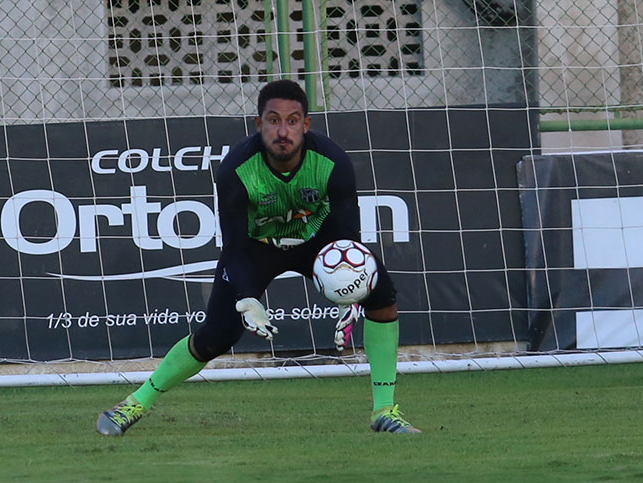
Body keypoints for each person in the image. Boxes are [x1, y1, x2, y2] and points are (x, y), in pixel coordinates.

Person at [96, 79, 420, 436]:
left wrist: (352, 296)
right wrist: (247, 298)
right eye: (273, 120)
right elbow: (234, 247)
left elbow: (347, 238)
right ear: (258, 124)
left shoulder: (332, 162)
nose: (283, 131)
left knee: (382, 296)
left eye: (292, 121)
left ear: (306, 125)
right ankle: (135, 403)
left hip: (317, 241)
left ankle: (384, 410)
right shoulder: (236, 170)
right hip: (255, 248)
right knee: (216, 337)